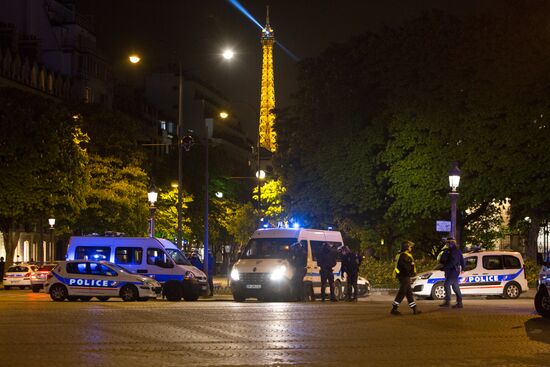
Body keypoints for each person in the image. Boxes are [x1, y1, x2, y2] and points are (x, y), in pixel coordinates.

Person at [391, 241, 421, 315]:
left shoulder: (401, 255)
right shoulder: (404, 256)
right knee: (403, 292)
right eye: (410, 247)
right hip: (404, 276)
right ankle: (394, 308)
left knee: (408, 293)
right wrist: (411, 269)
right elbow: (405, 267)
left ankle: (414, 309)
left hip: (403, 275)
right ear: (406, 247)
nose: (411, 248)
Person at [439, 237, 465, 308]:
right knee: (455, 287)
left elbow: (454, 261)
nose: (446, 244)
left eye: (448, 243)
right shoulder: (450, 250)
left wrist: (445, 267)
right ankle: (459, 303)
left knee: (446, 284)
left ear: (451, 243)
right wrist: (463, 268)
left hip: (453, 271)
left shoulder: (454, 251)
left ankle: (448, 301)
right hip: (452, 271)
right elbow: (442, 260)